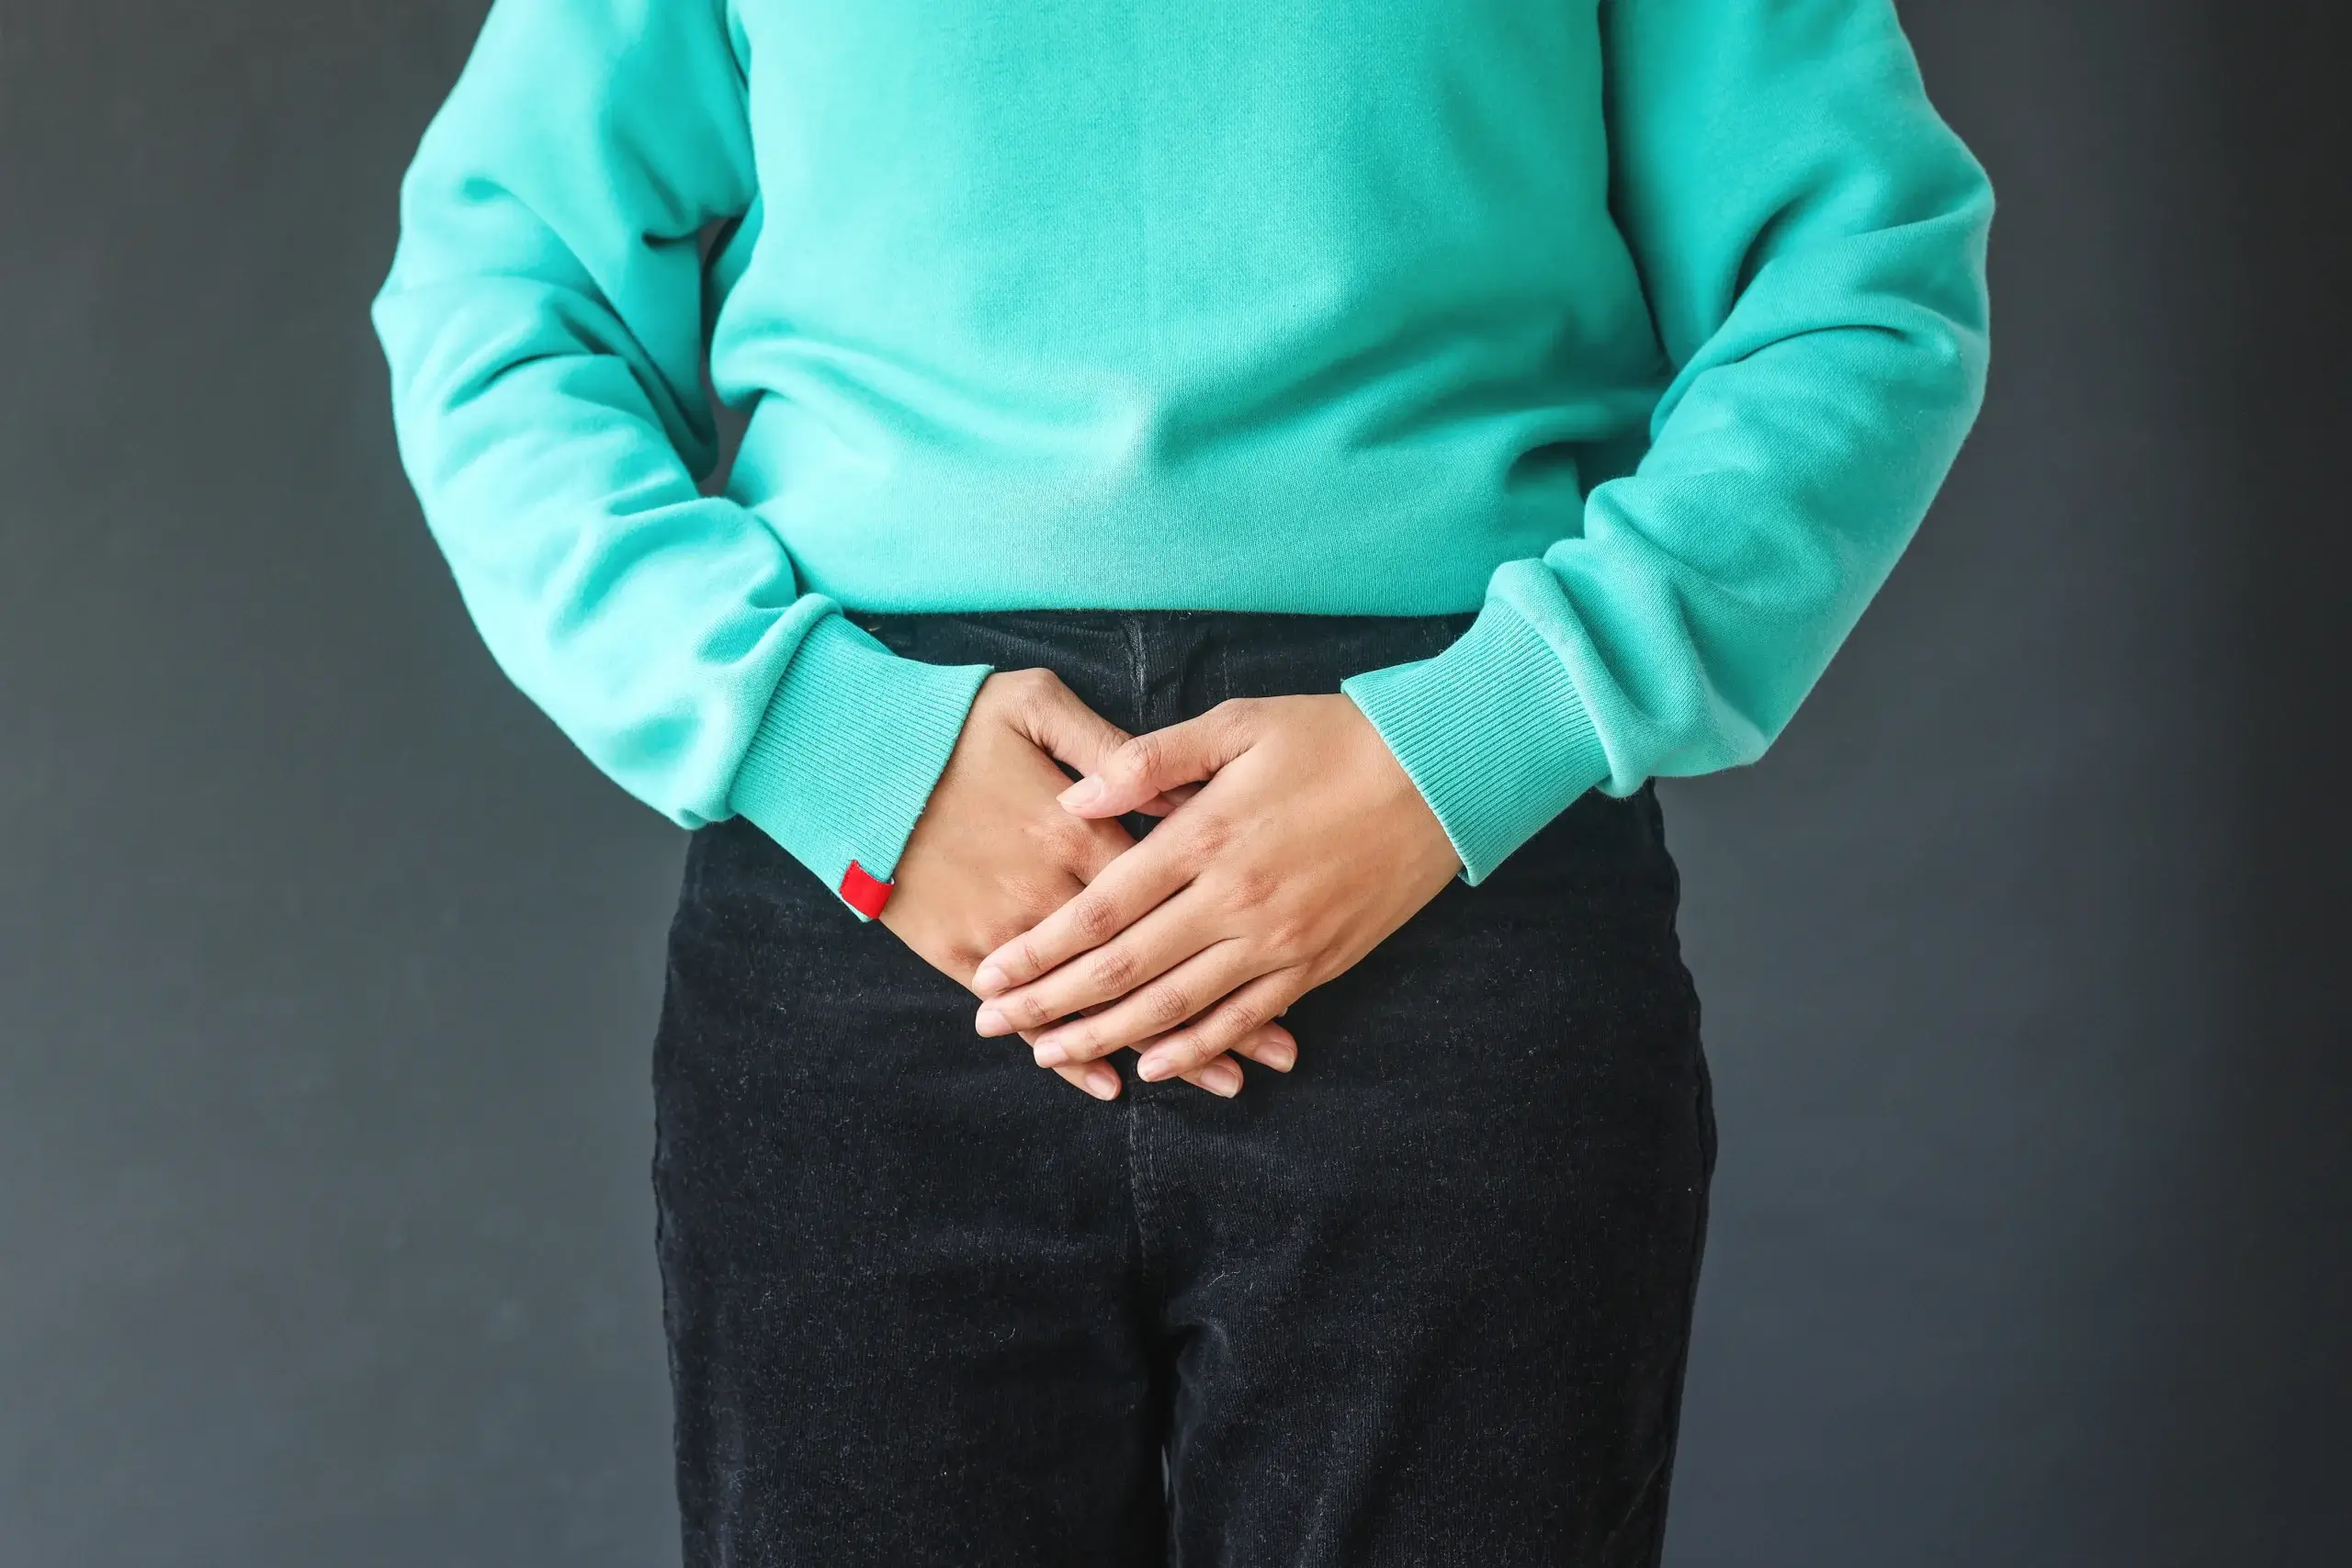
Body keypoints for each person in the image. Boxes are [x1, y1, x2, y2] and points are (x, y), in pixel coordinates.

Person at [372, 0, 1991, 1561]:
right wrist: (824, 737)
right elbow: (500, 292)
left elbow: (1862, 281)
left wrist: (1476, 738)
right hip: (885, 893)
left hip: (1445, 893)